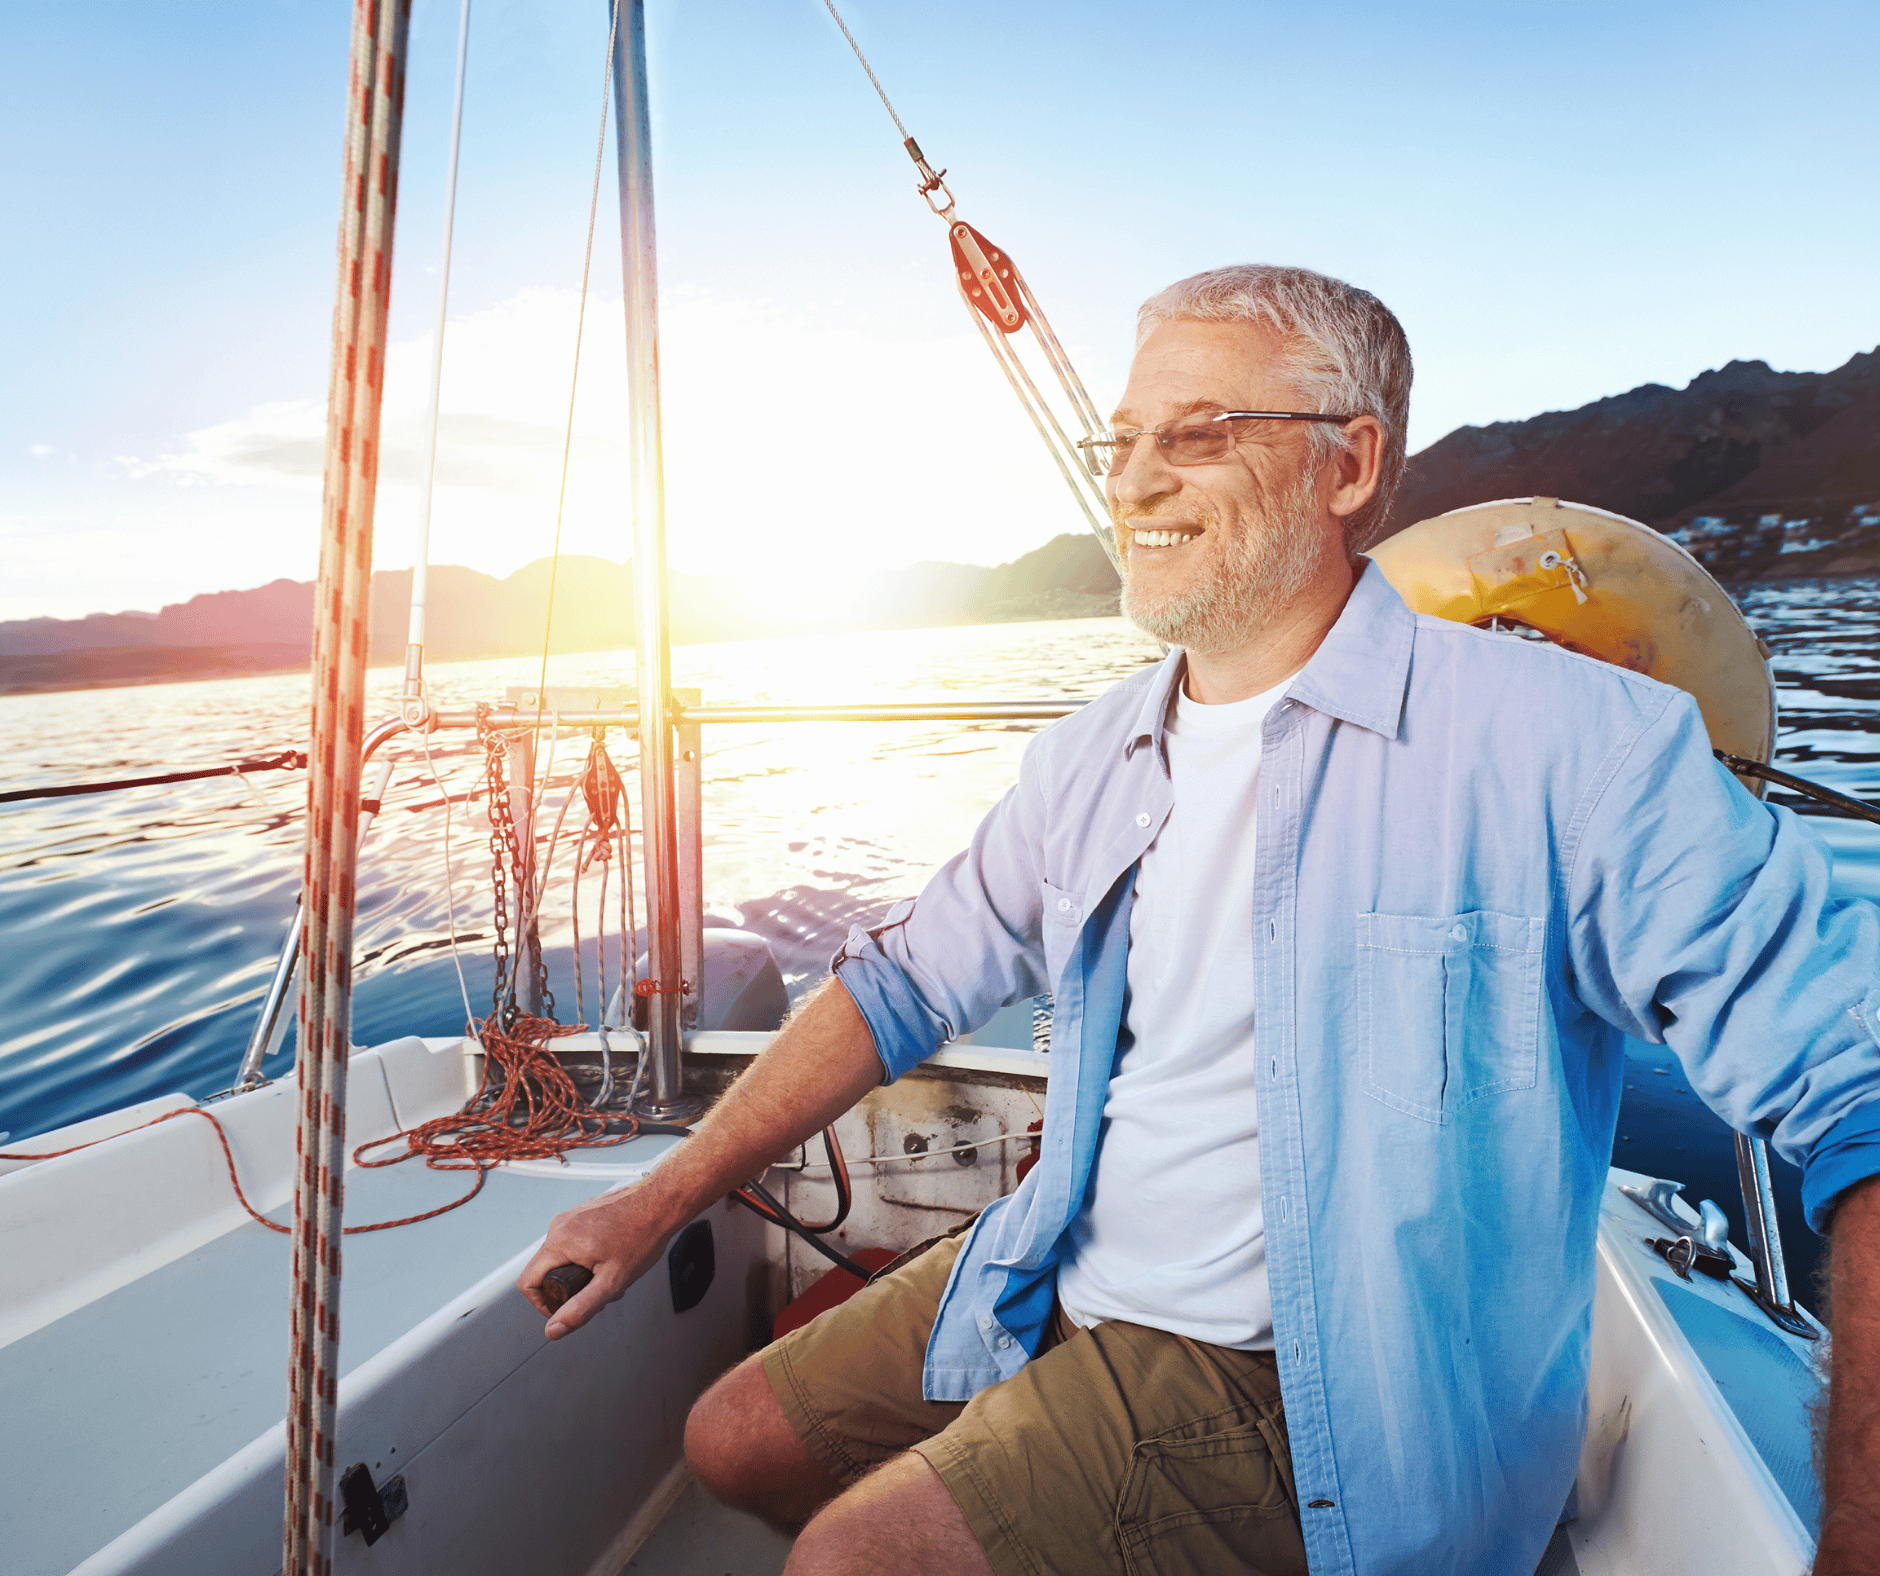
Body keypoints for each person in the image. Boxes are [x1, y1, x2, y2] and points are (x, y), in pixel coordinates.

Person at [520, 265, 1880, 1575]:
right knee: (736, 1441)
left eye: (1198, 435)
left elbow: (1859, 1093)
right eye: (1119, 441)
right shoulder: (1089, 759)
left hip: (1316, 1387)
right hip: (1063, 1267)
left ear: (1347, 469)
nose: (1133, 480)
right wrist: (652, 1203)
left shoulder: (1570, 746)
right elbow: (899, 989)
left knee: (851, 1558)